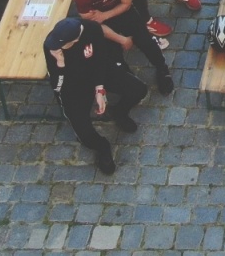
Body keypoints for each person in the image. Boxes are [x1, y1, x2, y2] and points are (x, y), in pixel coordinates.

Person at [43, 16, 147, 175]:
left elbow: (100, 58)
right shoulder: (52, 46)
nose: (60, 46)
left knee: (138, 89)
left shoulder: (92, 29)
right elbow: (57, 86)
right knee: (83, 131)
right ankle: (102, 147)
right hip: (73, 85)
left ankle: (119, 112)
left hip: (97, 72)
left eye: (64, 44)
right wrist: (60, 64)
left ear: (77, 38)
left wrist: (99, 88)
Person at [72, 0, 176, 92]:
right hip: (102, 23)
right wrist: (121, 39)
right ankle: (130, 80)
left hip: (119, 12)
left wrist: (105, 15)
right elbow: (93, 24)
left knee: (146, 41)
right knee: (112, 54)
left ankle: (162, 69)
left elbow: (126, 5)